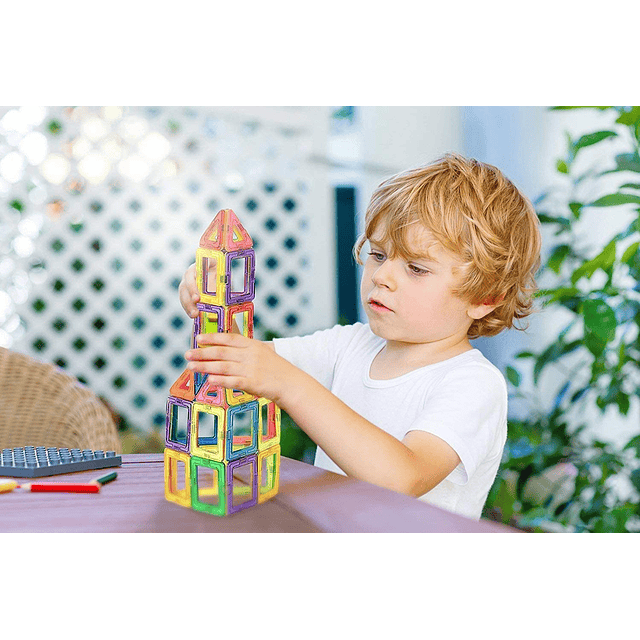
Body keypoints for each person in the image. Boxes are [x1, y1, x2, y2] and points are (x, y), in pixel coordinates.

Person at [179, 153, 541, 520]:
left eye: (416, 268)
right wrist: (213, 300)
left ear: (484, 298)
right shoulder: (350, 345)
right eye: (380, 255)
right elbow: (244, 363)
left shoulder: (472, 384)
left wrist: (290, 385)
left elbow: (402, 478)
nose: (383, 276)